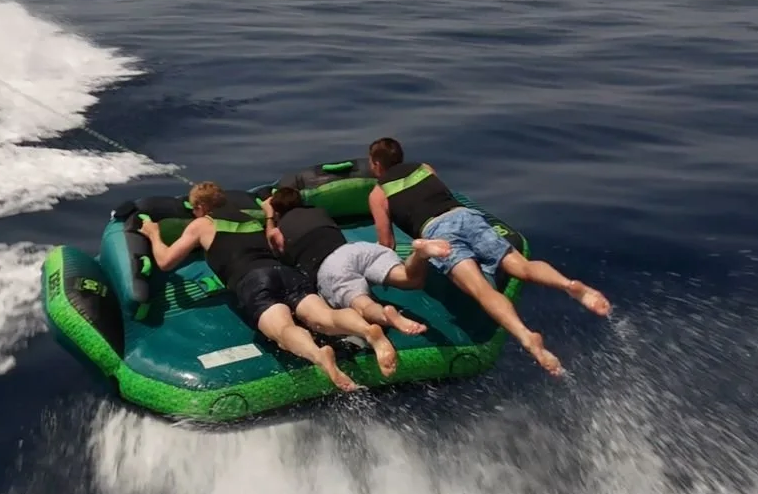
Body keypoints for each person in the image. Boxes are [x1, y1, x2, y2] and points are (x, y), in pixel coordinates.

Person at [366, 138, 611, 379]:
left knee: (482, 290)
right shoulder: (425, 168)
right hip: (465, 216)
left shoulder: (378, 194)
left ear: (376, 164)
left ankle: (526, 336)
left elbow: (387, 243)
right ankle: (569, 285)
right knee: (521, 266)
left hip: (438, 232)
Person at [137, 183, 396, 391]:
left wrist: (153, 234)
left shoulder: (202, 224)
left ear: (201, 207)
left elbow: (165, 261)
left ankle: (319, 356)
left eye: (194, 210)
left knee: (284, 330)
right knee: (324, 317)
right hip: (284, 273)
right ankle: (366, 329)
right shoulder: (253, 222)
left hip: (253, 281)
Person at [262, 186, 453, 349]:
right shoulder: (317, 211)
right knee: (408, 278)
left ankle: (387, 317)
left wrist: (269, 217)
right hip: (357, 249)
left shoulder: (280, 228)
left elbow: (274, 239)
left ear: (278, 212)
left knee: (363, 306)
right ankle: (419, 254)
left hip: (331, 266)